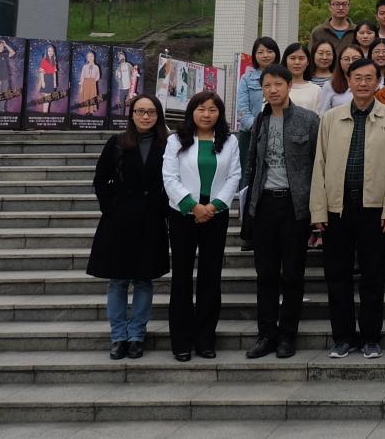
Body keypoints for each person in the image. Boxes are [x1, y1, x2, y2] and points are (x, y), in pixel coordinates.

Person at [310, 58, 385, 359]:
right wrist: (318, 210)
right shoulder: (331, 118)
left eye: (369, 78)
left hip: (374, 211)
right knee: (337, 276)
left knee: (373, 277)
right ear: (348, 81)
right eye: (357, 78)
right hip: (337, 209)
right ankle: (343, 337)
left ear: (378, 82)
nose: (363, 83)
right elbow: (319, 165)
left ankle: (370, 337)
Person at [242, 64, 321, 359]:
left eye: (278, 84)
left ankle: (288, 334)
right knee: (265, 274)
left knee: (292, 273)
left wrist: (317, 210)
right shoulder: (260, 120)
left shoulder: (309, 120)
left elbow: (318, 165)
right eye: (267, 85)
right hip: (264, 204)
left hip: (295, 206)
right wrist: (249, 206)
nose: (272, 90)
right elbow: (252, 164)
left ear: (289, 85)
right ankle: (266, 334)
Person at [88, 94, 170, 360]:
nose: (145, 116)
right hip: (119, 222)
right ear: (132, 114)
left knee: (144, 280)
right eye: (140, 111)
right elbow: (100, 180)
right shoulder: (117, 143)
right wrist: (111, 209)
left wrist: (162, 210)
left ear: (158, 115)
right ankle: (118, 336)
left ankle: (136, 335)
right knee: (118, 280)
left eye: (151, 112)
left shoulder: (167, 144)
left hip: (151, 220)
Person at [162, 91, 241, 362]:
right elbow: (169, 177)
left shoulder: (229, 141)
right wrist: (192, 206)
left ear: (220, 113)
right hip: (183, 215)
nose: (206, 114)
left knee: (210, 277)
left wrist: (214, 206)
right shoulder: (176, 140)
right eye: (201, 109)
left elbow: (234, 176)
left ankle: (206, 339)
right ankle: (181, 341)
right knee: (182, 278)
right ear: (191, 111)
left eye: (212, 109)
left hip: (215, 216)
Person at [237, 37, 280, 132]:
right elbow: (242, 109)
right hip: (250, 131)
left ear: (276, 53)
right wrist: (257, 127)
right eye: (260, 52)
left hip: (278, 131)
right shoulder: (246, 79)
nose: (265, 55)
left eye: (269, 51)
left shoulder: (283, 77)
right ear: (255, 55)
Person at [316, 44, 364, 115]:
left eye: (355, 59)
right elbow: (323, 114)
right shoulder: (330, 85)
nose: (351, 62)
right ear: (340, 61)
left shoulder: (370, 83)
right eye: (346, 59)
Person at [281, 43, 322, 111]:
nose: (297, 62)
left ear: (308, 62)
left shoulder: (316, 90)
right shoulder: (278, 87)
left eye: (301, 58)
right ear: (286, 61)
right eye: (293, 58)